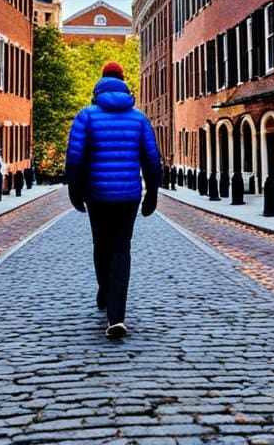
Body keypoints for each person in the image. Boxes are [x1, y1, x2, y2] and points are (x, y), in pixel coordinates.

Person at [65, 61, 161, 339]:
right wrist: (152, 192)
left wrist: (75, 189)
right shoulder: (138, 118)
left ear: (100, 84)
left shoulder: (87, 116)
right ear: (123, 83)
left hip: (97, 194)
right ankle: (116, 316)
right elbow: (152, 159)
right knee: (121, 249)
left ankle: (105, 292)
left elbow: (75, 158)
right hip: (129, 195)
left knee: (101, 244)